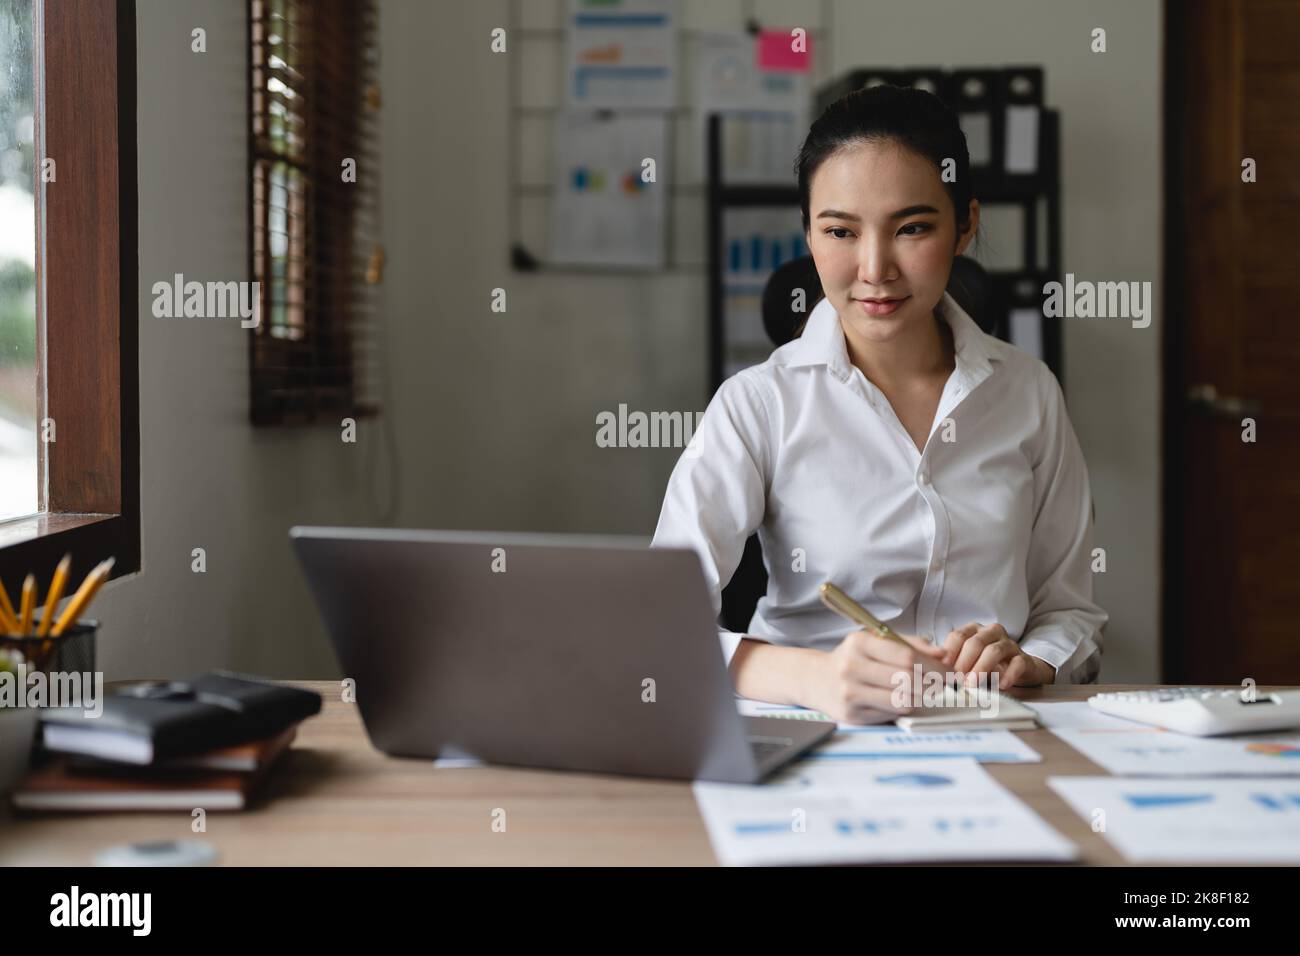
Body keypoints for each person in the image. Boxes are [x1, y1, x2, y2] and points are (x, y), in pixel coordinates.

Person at [651, 85, 1106, 725]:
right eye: (840, 230)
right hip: (807, 740)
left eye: (912, 228)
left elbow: (1069, 611)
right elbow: (656, 629)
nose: (874, 268)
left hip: (991, 733)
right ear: (808, 234)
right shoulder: (758, 405)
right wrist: (814, 676)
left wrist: (1036, 659)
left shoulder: (1028, 393)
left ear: (965, 225)